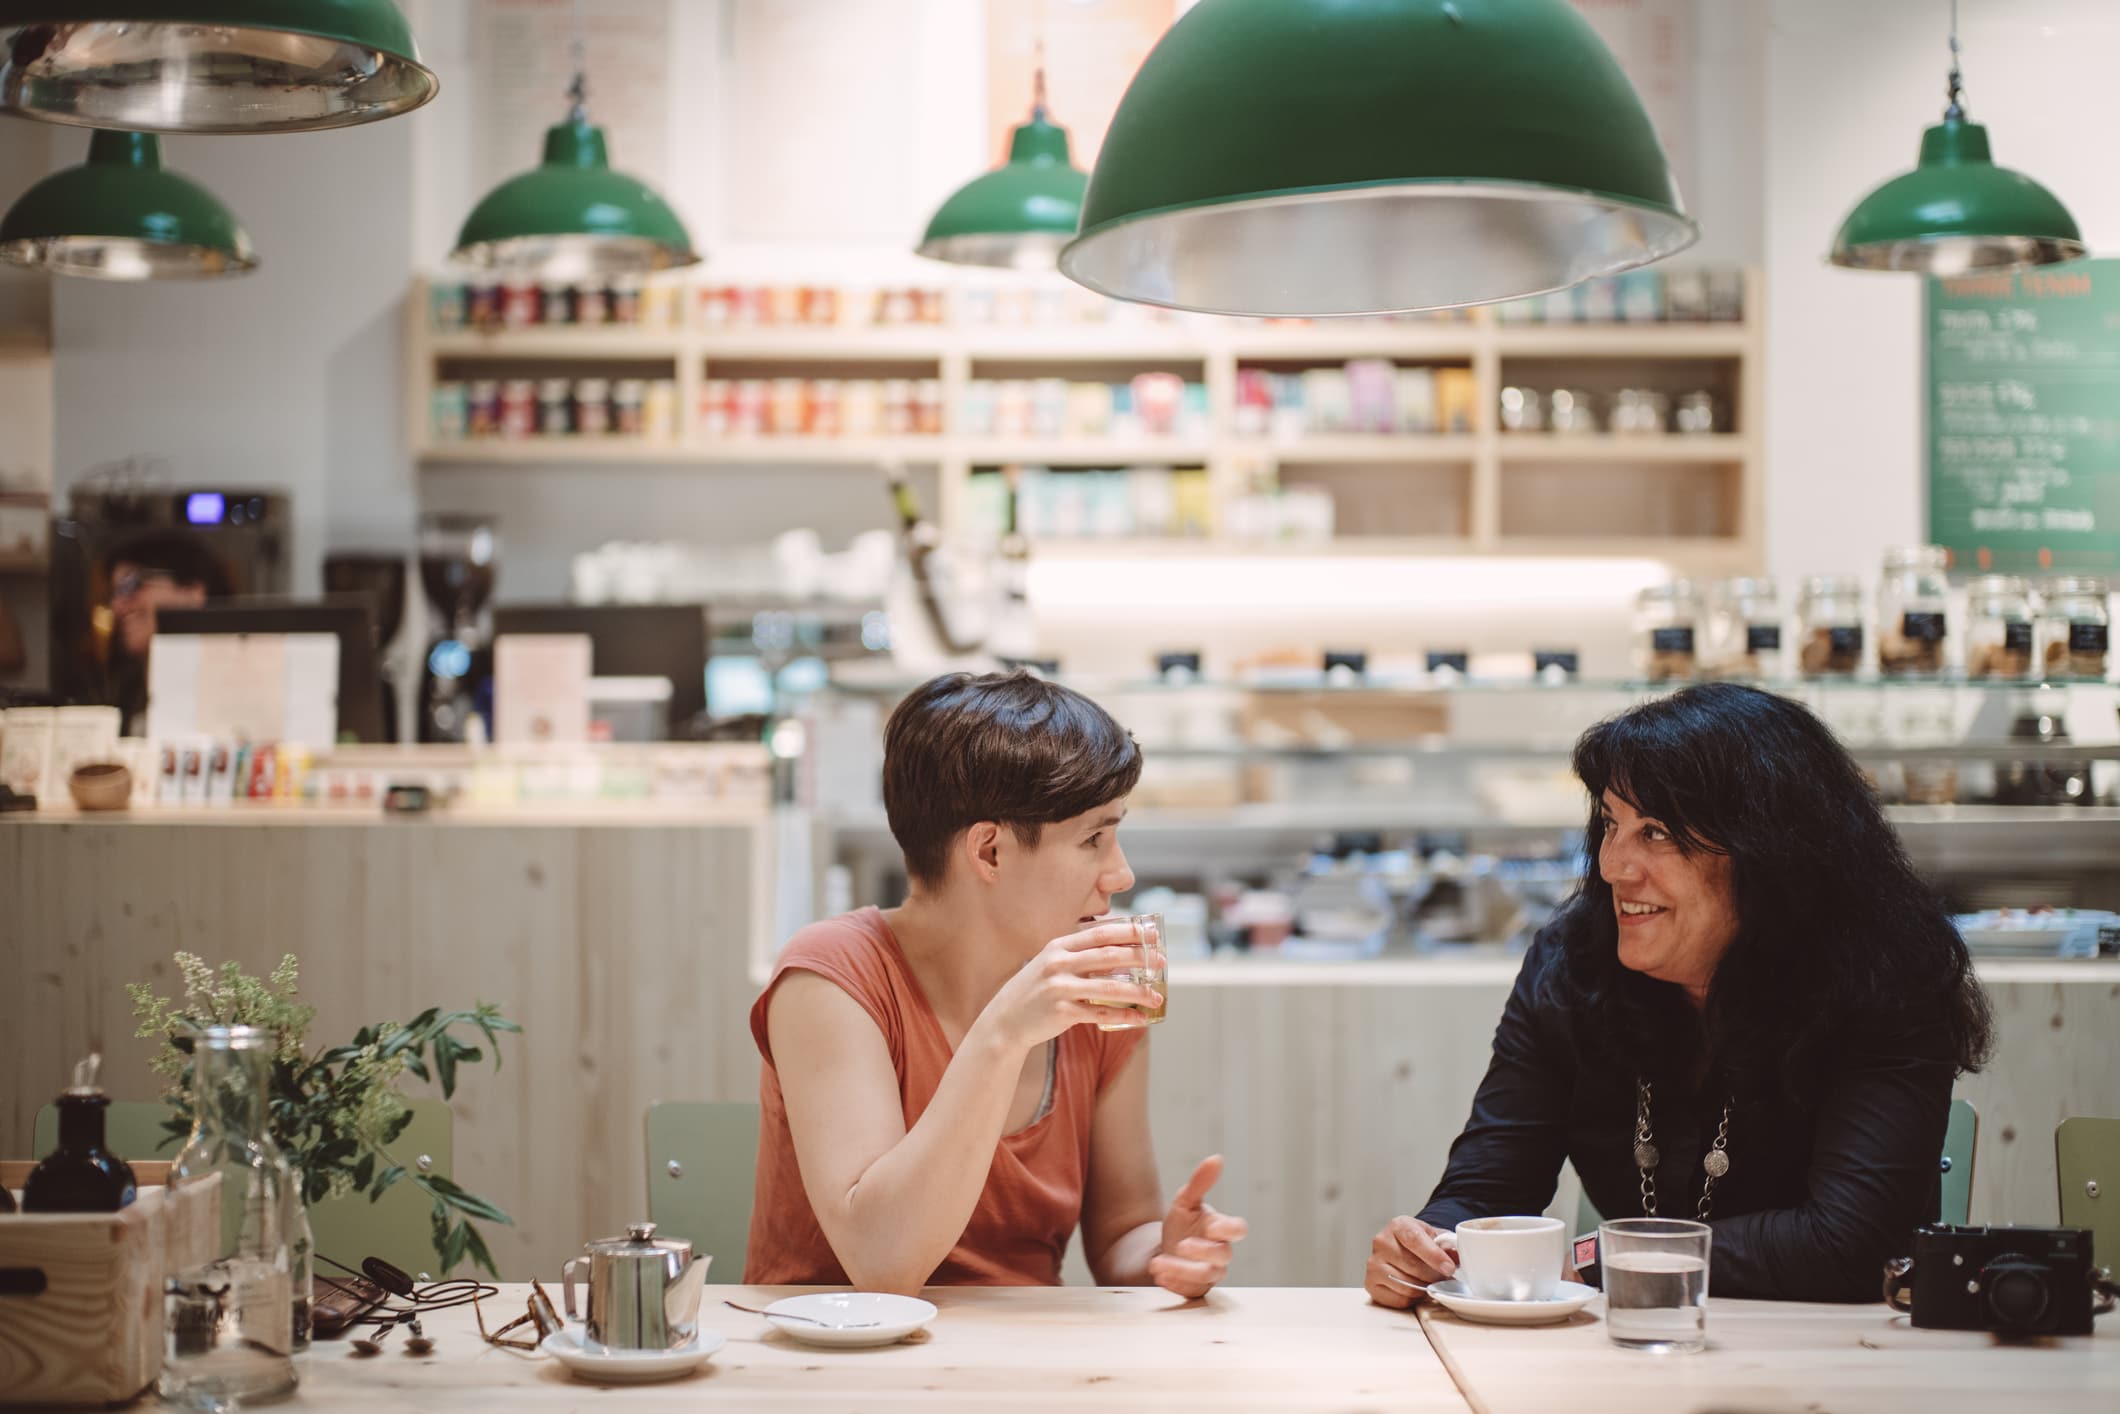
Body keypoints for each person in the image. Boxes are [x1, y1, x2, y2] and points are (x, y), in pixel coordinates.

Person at [1365, 683, 1993, 1305]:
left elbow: (1850, 1244)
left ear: (1770, 851)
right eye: (1612, 824)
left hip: (1841, 1365)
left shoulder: (1887, 978)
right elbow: (1489, 1186)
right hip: (1634, 1353)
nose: (1614, 866)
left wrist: (1603, 1257)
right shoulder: (1570, 966)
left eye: (1657, 832)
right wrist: (1433, 1243)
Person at [746, 671, 1248, 1296]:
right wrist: (1004, 1034)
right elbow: (883, 1265)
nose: (1121, 874)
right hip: (839, 1371)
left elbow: (1123, 1232)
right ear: (988, 852)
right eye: (1093, 838)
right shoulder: (835, 975)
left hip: (1023, 1367)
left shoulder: (1096, 993)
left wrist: (1166, 1253)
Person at [103, 529, 234, 733]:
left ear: (193, 591)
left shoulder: (233, 689)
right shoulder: (123, 688)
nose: (117, 606)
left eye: (132, 585)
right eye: (114, 592)